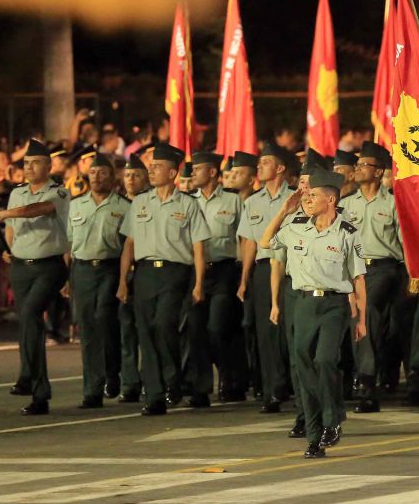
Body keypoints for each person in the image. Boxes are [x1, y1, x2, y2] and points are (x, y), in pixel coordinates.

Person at [261, 169, 367, 458]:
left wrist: (362, 320)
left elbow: (358, 278)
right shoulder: (295, 226)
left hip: (334, 305)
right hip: (304, 304)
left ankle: (332, 420)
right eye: (306, 195)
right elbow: (265, 241)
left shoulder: (347, 232)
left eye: (313, 195)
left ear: (330, 199)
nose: (307, 199)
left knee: (324, 359)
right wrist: (284, 210)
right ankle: (314, 435)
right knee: (304, 366)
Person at [116, 143, 210, 416]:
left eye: (157, 167)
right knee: (146, 332)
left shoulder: (187, 204)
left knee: (164, 325)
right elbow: (129, 245)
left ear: (172, 173)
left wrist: (198, 284)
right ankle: (155, 395)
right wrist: (123, 280)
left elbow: (198, 247)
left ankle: (172, 379)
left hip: (175, 273)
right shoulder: (140, 202)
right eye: (151, 167)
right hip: (145, 273)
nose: (152, 171)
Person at [0, 140, 71, 415]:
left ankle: (27, 375)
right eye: (26, 163)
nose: (28, 167)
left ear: (48, 166)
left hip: (49, 266)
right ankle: (39, 394)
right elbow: (12, 227)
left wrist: (5, 213)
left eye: (35, 163)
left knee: (29, 314)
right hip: (21, 267)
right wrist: (9, 247)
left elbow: (38, 210)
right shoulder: (17, 193)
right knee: (30, 326)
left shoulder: (59, 192)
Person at [338, 141, 402, 413]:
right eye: (357, 164)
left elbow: (405, 243)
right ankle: (363, 376)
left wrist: (412, 276)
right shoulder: (345, 204)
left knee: (366, 311)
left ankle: (366, 382)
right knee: (359, 321)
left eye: (364, 164)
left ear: (378, 172)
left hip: (384, 268)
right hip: (352, 270)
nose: (358, 168)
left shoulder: (393, 202)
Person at [65, 154, 129, 409]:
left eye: (102, 173)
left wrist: (124, 279)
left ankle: (112, 372)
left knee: (105, 319)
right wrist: (66, 277)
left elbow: (129, 246)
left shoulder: (123, 206)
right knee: (87, 328)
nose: (97, 177)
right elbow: (69, 244)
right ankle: (92, 389)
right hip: (82, 270)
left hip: (110, 268)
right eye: (93, 173)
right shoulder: (76, 205)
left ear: (112, 177)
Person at [237, 144, 296, 413]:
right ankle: (272, 390)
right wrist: (244, 278)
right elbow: (249, 242)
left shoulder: (295, 198)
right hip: (263, 269)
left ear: (280, 168)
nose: (259, 167)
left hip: (292, 269)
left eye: (266, 162)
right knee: (265, 332)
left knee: (290, 330)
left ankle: (295, 386)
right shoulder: (252, 202)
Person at [187, 151, 245, 406]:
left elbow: (244, 237)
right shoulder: (189, 201)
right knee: (196, 330)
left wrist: (244, 274)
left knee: (218, 328)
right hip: (196, 270)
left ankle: (228, 377)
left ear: (212, 172)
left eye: (198, 169)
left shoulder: (233, 200)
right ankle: (200, 388)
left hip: (224, 270)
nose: (192, 173)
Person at [116, 154, 150, 402]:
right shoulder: (116, 204)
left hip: (146, 271)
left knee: (148, 330)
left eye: (136, 175)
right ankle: (129, 383)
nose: (131, 179)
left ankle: (150, 379)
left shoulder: (151, 202)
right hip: (122, 273)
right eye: (127, 175)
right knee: (126, 331)